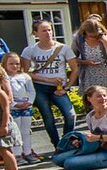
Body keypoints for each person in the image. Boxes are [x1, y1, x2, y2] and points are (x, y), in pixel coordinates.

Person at [21, 19, 77, 152]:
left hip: (59, 88)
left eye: (49, 29)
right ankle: (57, 145)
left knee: (70, 115)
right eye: (44, 30)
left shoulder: (63, 48)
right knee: (48, 117)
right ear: (36, 33)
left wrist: (67, 87)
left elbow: (75, 69)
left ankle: (66, 141)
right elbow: (25, 72)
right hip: (40, 87)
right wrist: (47, 79)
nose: (48, 33)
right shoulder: (30, 50)